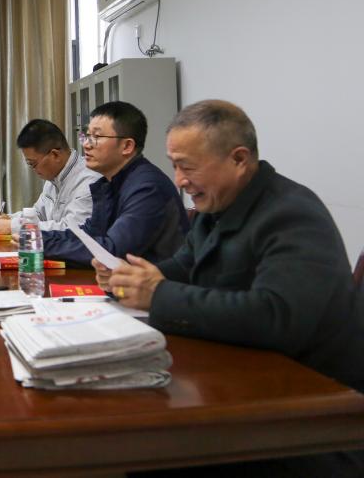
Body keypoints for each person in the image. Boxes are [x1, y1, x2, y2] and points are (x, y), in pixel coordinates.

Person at [99, 100, 364, 477]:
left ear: (239, 159)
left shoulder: (291, 214)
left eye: (187, 167)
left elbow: (276, 315)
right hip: (242, 383)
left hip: (311, 417)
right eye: (174, 165)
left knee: (143, 447)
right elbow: (184, 267)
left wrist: (158, 295)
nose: (179, 180)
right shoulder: (216, 208)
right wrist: (129, 278)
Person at [42, 101, 188, 264]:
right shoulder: (110, 183)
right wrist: (36, 237)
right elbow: (88, 235)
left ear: (127, 146)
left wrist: (41, 244)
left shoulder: (147, 188)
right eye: (86, 136)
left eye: (96, 137)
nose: (86, 145)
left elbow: (111, 252)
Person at [0, 119, 100, 235]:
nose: (33, 170)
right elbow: (39, 214)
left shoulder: (89, 180)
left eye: (33, 164)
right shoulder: (54, 177)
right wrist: (11, 219)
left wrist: (13, 226)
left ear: (55, 155)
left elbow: (73, 230)